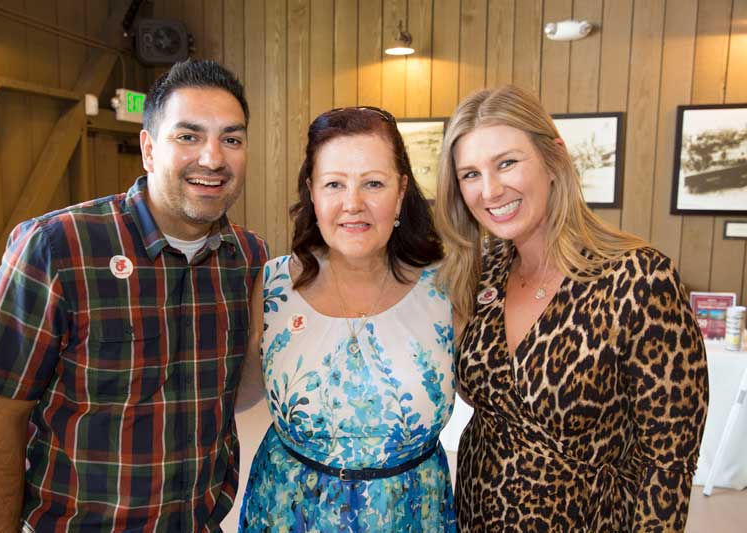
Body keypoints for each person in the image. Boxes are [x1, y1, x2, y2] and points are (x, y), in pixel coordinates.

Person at [0, 59, 268, 532]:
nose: (213, 158)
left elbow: (235, 395)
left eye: (232, 138)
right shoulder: (57, 246)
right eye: (188, 136)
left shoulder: (248, 260)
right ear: (148, 149)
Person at [435, 85, 708, 531]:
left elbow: (668, 464)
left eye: (507, 163)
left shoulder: (639, 279)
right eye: (470, 174)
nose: (490, 190)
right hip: (477, 515)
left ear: (554, 159)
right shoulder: (484, 272)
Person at [238, 106, 456, 531]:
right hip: (289, 512)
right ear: (312, 193)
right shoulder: (274, 284)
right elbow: (238, 392)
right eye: (334, 184)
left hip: (409, 515)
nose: (353, 204)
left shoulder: (446, 286)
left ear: (401, 191)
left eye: (373, 183)